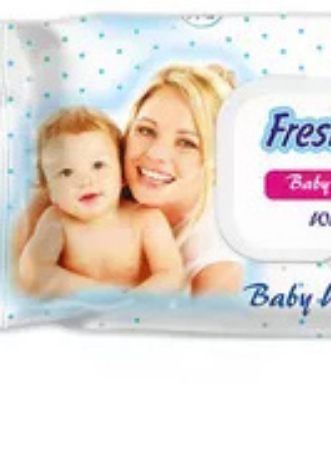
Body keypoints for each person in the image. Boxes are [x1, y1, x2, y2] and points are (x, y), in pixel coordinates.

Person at [13, 64, 243, 297]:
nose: (155, 154)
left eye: (187, 143)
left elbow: (181, 292)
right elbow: (21, 277)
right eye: (146, 130)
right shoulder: (83, 173)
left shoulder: (215, 256)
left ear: (218, 159)